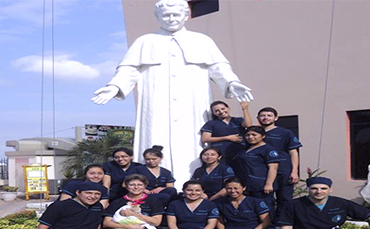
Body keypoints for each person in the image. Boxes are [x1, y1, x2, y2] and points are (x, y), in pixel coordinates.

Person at [92, 0, 253, 188]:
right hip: (156, 99)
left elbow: (219, 67)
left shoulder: (201, 40)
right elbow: (129, 69)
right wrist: (115, 86)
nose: (171, 19)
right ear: (157, 17)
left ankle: (192, 188)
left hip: (191, 100)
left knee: (193, 142)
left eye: (176, 15)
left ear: (185, 16)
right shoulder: (145, 41)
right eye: (166, 15)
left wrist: (232, 83)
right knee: (154, 135)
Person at [157, 180, 222, 229]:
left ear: (202, 191)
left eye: (197, 190)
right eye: (189, 190)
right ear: (183, 190)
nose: (193, 193)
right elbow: (172, 223)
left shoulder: (210, 205)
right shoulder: (174, 204)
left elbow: (211, 224)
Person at [257, 106, 302, 218]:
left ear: (276, 118)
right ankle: (269, 226)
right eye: (263, 115)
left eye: (269, 115)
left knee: (285, 199)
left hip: (283, 170)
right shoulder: (254, 133)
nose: (265, 118)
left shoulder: (285, 133)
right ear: (258, 118)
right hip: (263, 172)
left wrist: (294, 171)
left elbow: (293, 152)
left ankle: (283, 224)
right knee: (266, 200)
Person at [231, 126, 282, 209]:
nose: (250, 137)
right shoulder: (245, 149)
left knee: (264, 208)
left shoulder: (268, 149)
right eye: (248, 135)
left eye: (254, 135)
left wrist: (269, 184)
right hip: (247, 185)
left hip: (261, 186)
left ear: (263, 136)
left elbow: (273, 168)